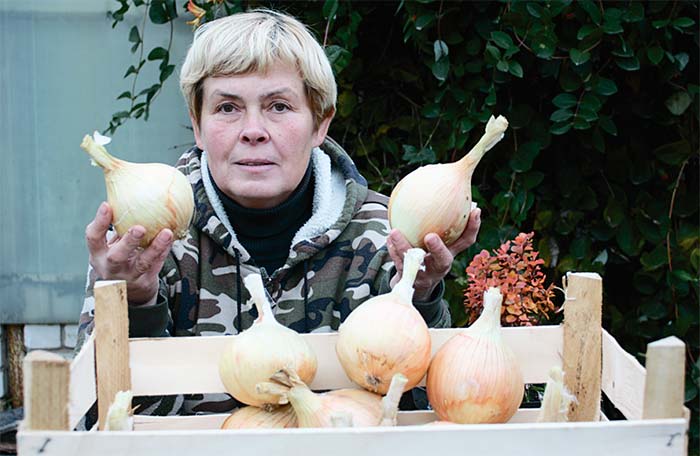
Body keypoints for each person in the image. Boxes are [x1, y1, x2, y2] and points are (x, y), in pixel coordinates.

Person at [77, 9, 481, 415]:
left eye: (279, 106)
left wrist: (419, 294)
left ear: (320, 124)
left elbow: (423, 416)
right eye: (228, 108)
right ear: (197, 125)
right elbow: (96, 423)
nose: (253, 130)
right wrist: (134, 302)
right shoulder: (146, 243)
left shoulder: (382, 237)